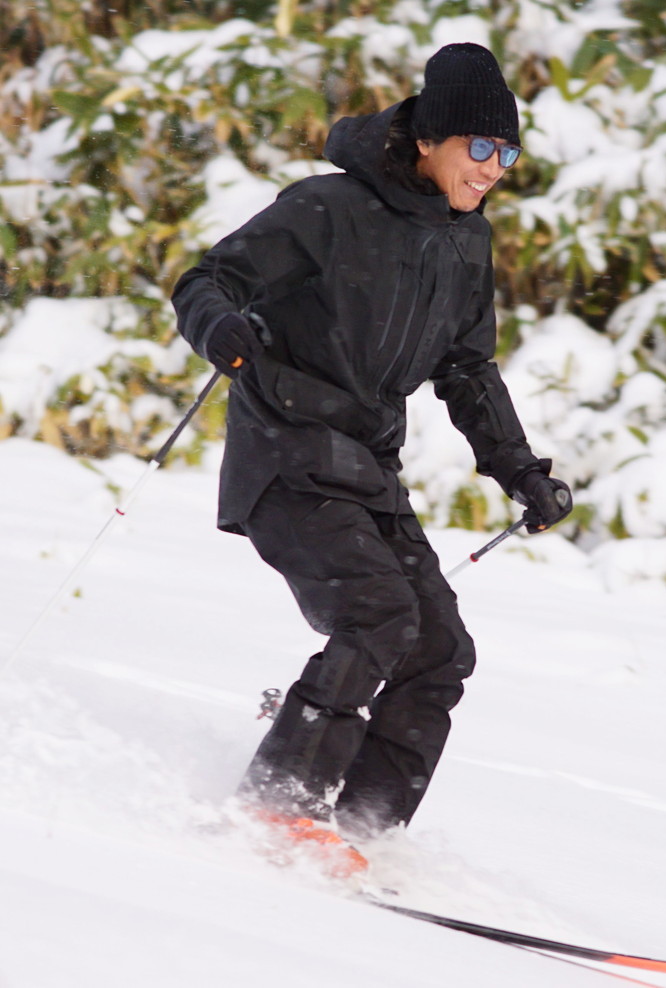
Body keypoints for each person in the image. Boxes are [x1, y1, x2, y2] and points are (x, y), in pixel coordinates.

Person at [172, 43, 571, 861]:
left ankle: (362, 832)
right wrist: (223, 331)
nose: (495, 168)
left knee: (438, 650)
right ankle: (280, 806)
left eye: (509, 153)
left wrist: (521, 470)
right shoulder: (327, 208)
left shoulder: (465, 243)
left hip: (366, 471)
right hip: (284, 457)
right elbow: (206, 282)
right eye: (481, 148)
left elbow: (468, 371)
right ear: (429, 139)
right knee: (379, 616)